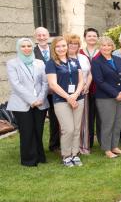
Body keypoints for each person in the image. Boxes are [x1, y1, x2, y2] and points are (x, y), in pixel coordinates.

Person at [7, 38, 49, 166]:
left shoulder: (40, 63)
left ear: (32, 47)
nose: (26, 48)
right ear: (18, 48)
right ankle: (29, 160)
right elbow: (16, 84)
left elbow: (45, 82)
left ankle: (39, 156)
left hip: (40, 103)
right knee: (27, 132)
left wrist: (40, 98)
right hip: (21, 104)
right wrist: (32, 100)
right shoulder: (12, 63)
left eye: (29, 46)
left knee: (38, 130)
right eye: (23, 46)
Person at [45, 37, 85, 166]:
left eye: (63, 46)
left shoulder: (74, 61)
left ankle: (75, 154)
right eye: (58, 47)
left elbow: (81, 81)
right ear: (54, 49)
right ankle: (66, 155)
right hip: (61, 100)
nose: (61, 49)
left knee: (77, 128)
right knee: (68, 129)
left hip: (78, 98)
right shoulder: (51, 63)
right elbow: (52, 84)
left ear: (67, 47)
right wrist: (68, 98)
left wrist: (76, 94)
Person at [91, 37, 121, 158]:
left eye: (108, 45)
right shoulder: (96, 62)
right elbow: (99, 81)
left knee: (118, 122)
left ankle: (115, 146)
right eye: (103, 45)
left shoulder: (118, 59)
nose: (106, 48)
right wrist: (115, 93)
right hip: (105, 98)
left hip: (120, 96)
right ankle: (107, 149)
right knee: (108, 123)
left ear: (113, 47)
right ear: (99, 47)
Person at [65, 33, 93, 154]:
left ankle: (84, 146)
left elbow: (90, 73)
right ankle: (69, 148)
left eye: (75, 44)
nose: (73, 46)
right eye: (70, 43)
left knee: (83, 122)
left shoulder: (83, 58)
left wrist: (87, 85)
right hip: (67, 95)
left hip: (83, 93)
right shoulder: (62, 58)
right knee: (68, 124)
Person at [79, 28, 100, 148]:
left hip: (99, 88)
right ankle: (89, 140)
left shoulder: (101, 51)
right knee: (88, 116)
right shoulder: (80, 52)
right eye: (89, 36)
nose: (92, 38)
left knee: (100, 115)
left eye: (94, 36)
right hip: (84, 88)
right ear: (85, 38)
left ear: (97, 38)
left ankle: (102, 140)